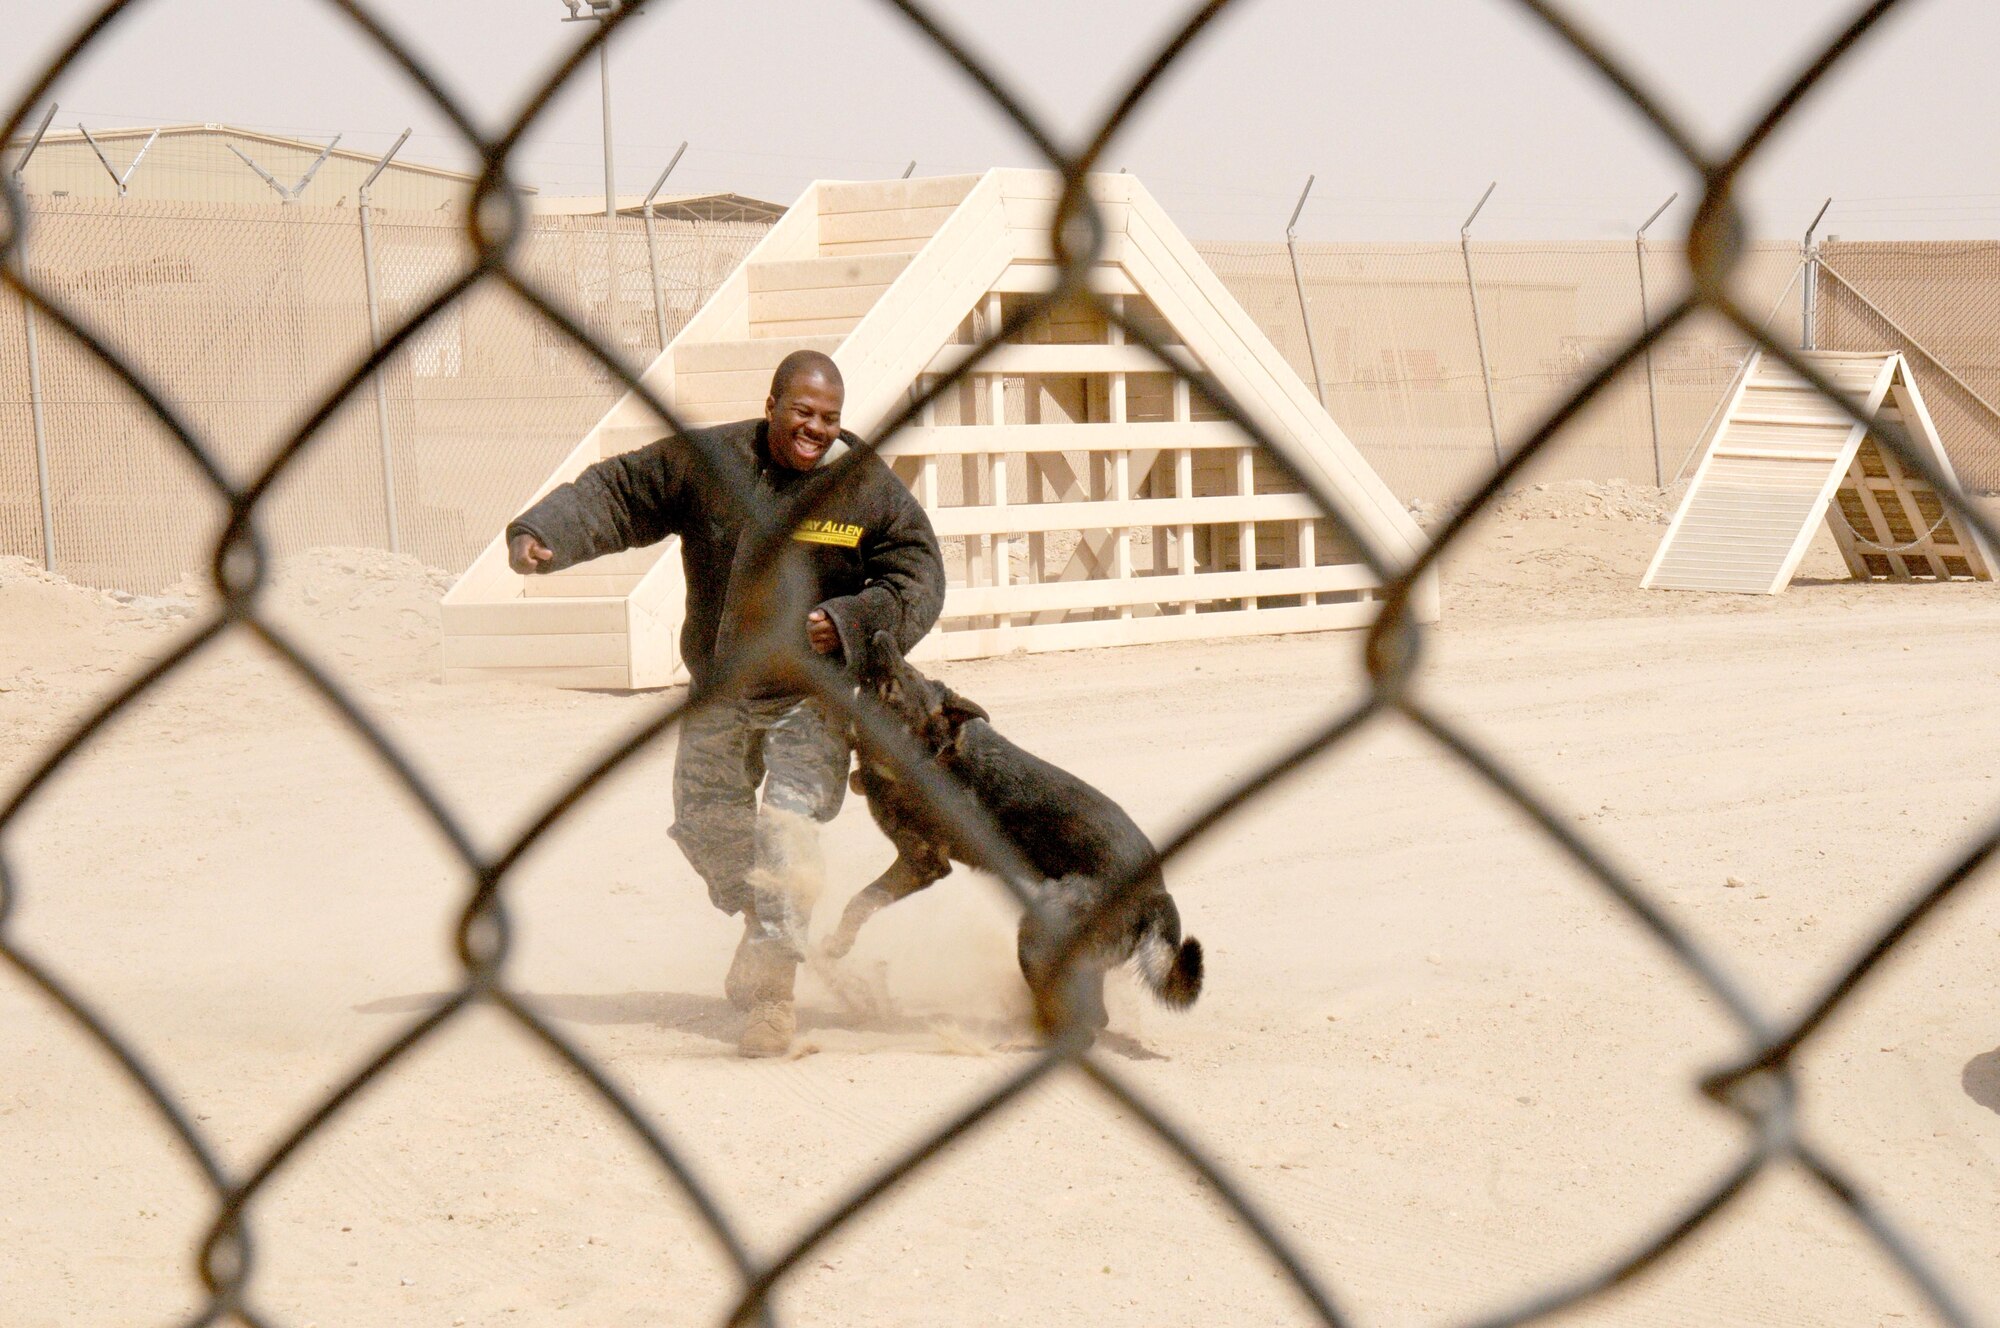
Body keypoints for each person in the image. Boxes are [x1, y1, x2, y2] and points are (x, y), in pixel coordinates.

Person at [505, 350, 944, 1057]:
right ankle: (762, 917)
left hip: (815, 693)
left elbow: (917, 570)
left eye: (830, 419)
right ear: (771, 405)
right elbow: (624, 490)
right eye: (802, 412)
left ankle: (773, 996)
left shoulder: (864, 487)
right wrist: (544, 532)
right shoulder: (711, 463)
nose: (815, 430)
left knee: (787, 829)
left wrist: (855, 620)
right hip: (723, 684)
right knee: (704, 823)